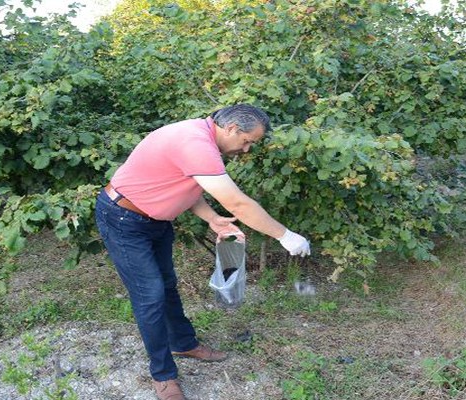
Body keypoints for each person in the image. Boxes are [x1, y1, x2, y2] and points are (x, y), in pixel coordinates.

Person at [94, 104, 310, 400]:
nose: (246, 150)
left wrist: (211, 218)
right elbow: (238, 204)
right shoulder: (194, 142)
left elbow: (186, 184)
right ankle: (163, 376)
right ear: (232, 128)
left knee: (167, 286)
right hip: (123, 220)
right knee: (150, 295)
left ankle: (182, 342)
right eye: (247, 141)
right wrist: (285, 235)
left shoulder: (201, 137)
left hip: (155, 221)